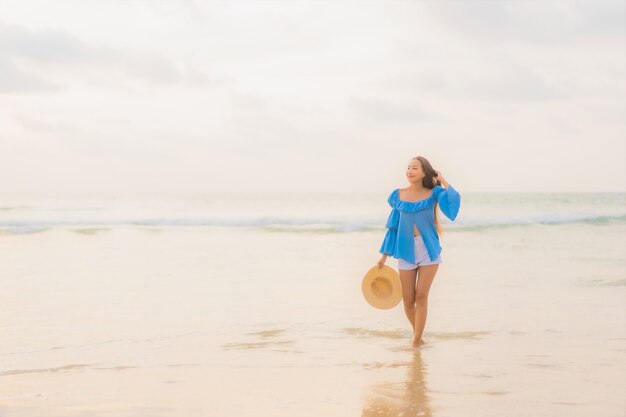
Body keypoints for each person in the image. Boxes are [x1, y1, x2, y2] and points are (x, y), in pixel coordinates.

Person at [376, 156, 461, 348]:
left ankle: (415, 341)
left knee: (421, 296)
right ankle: (419, 337)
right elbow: (393, 227)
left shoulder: (434, 193)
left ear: (424, 172)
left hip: (428, 250)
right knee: (408, 300)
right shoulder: (398, 195)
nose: (410, 171)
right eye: (408, 167)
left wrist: (442, 180)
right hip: (405, 250)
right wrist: (384, 256)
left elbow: (453, 201)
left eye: (414, 168)